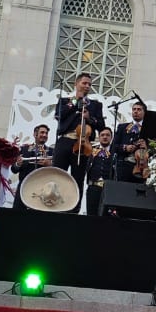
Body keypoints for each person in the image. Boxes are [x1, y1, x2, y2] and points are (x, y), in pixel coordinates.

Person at [53, 72, 105, 210]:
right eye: (84, 83)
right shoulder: (65, 101)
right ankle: (53, 205)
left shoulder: (95, 105)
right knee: (58, 174)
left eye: (89, 84)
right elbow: (59, 115)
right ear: (76, 84)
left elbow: (101, 126)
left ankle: (74, 209)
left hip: (83, 144)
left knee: (78, 178)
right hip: (65, 141)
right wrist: (75, 101)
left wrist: (89, 118)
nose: (87, 86)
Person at [10, 124, 53, 211]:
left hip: (43, 189)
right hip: (24, 187)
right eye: (42, 132)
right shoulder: (24, 149)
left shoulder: (52, 152)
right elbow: (13, 169)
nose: (44, 135)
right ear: (35, 134)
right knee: (17, 215)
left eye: (46, 133)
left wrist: (50, 165)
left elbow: (58, 171)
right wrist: (18, 164)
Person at [112, 99, 149, 182]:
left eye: (139, 109)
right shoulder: (122, 127)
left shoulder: (148, 129)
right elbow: (113, 146)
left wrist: (146, 147)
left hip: (141, 167)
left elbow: (155, 151)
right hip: (123, 166)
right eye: (134, 109)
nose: (136, 111)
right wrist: (125, 148)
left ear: (144, 112)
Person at [85, 126, 113, 216]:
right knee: (91, 216)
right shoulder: (91, 150)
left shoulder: (115, 152)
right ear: (99, 137)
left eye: (107, 135)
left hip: (109, 189)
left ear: (111, 138)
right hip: (93, 187)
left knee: (106, 218)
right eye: (102, 135)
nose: (105, 137)